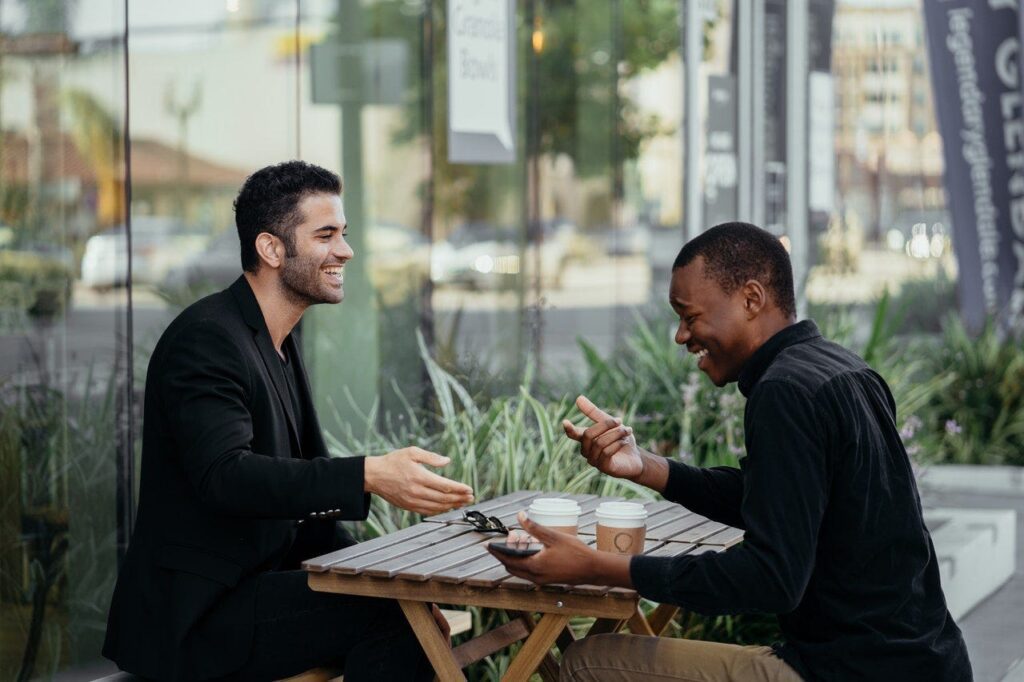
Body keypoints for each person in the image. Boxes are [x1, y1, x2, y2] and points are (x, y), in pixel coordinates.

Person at [489, 222, 972, 681]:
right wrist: (646, 468)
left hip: (847, 671)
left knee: (589, 663)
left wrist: (598, 567)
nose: (681, 336)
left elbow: (771, 578)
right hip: (924, 662)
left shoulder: (784, 391)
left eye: (689, 316)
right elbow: (782, 496)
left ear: (751, 298)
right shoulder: (841, 368)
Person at [103, 161, 474, 681]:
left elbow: (307, 514)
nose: (345, 250)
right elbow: (226, 477)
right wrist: (369, 473)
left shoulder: (276, 339)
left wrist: (389, 579)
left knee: (402, 608)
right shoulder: (206, 339)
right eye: (326, 235)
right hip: (199, 617)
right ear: (271, 249)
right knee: (396, 617)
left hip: (253, 592)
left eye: (343, 233)